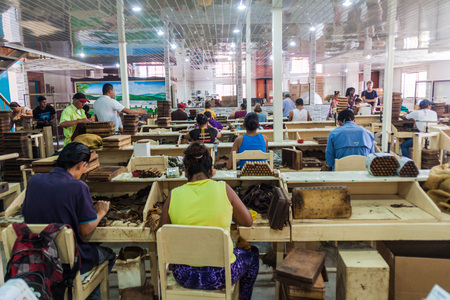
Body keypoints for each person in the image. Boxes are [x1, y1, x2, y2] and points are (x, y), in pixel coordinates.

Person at [158, 142, 259, 300]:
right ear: (212, 170)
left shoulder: (174, 195)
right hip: (220, 275)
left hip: (185, 275)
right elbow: (247, 221)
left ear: (185, 172)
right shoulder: (223, 188)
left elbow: (161, 231)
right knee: (252, 254)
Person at [21, 142, 115, 300]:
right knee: (109, 255)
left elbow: (26, 217)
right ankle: (85, 293)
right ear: (81, 165)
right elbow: (85, 231)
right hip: (67, 263)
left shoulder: (34, 181)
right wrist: (101, 212)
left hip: (37, 257)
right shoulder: (78, 187)